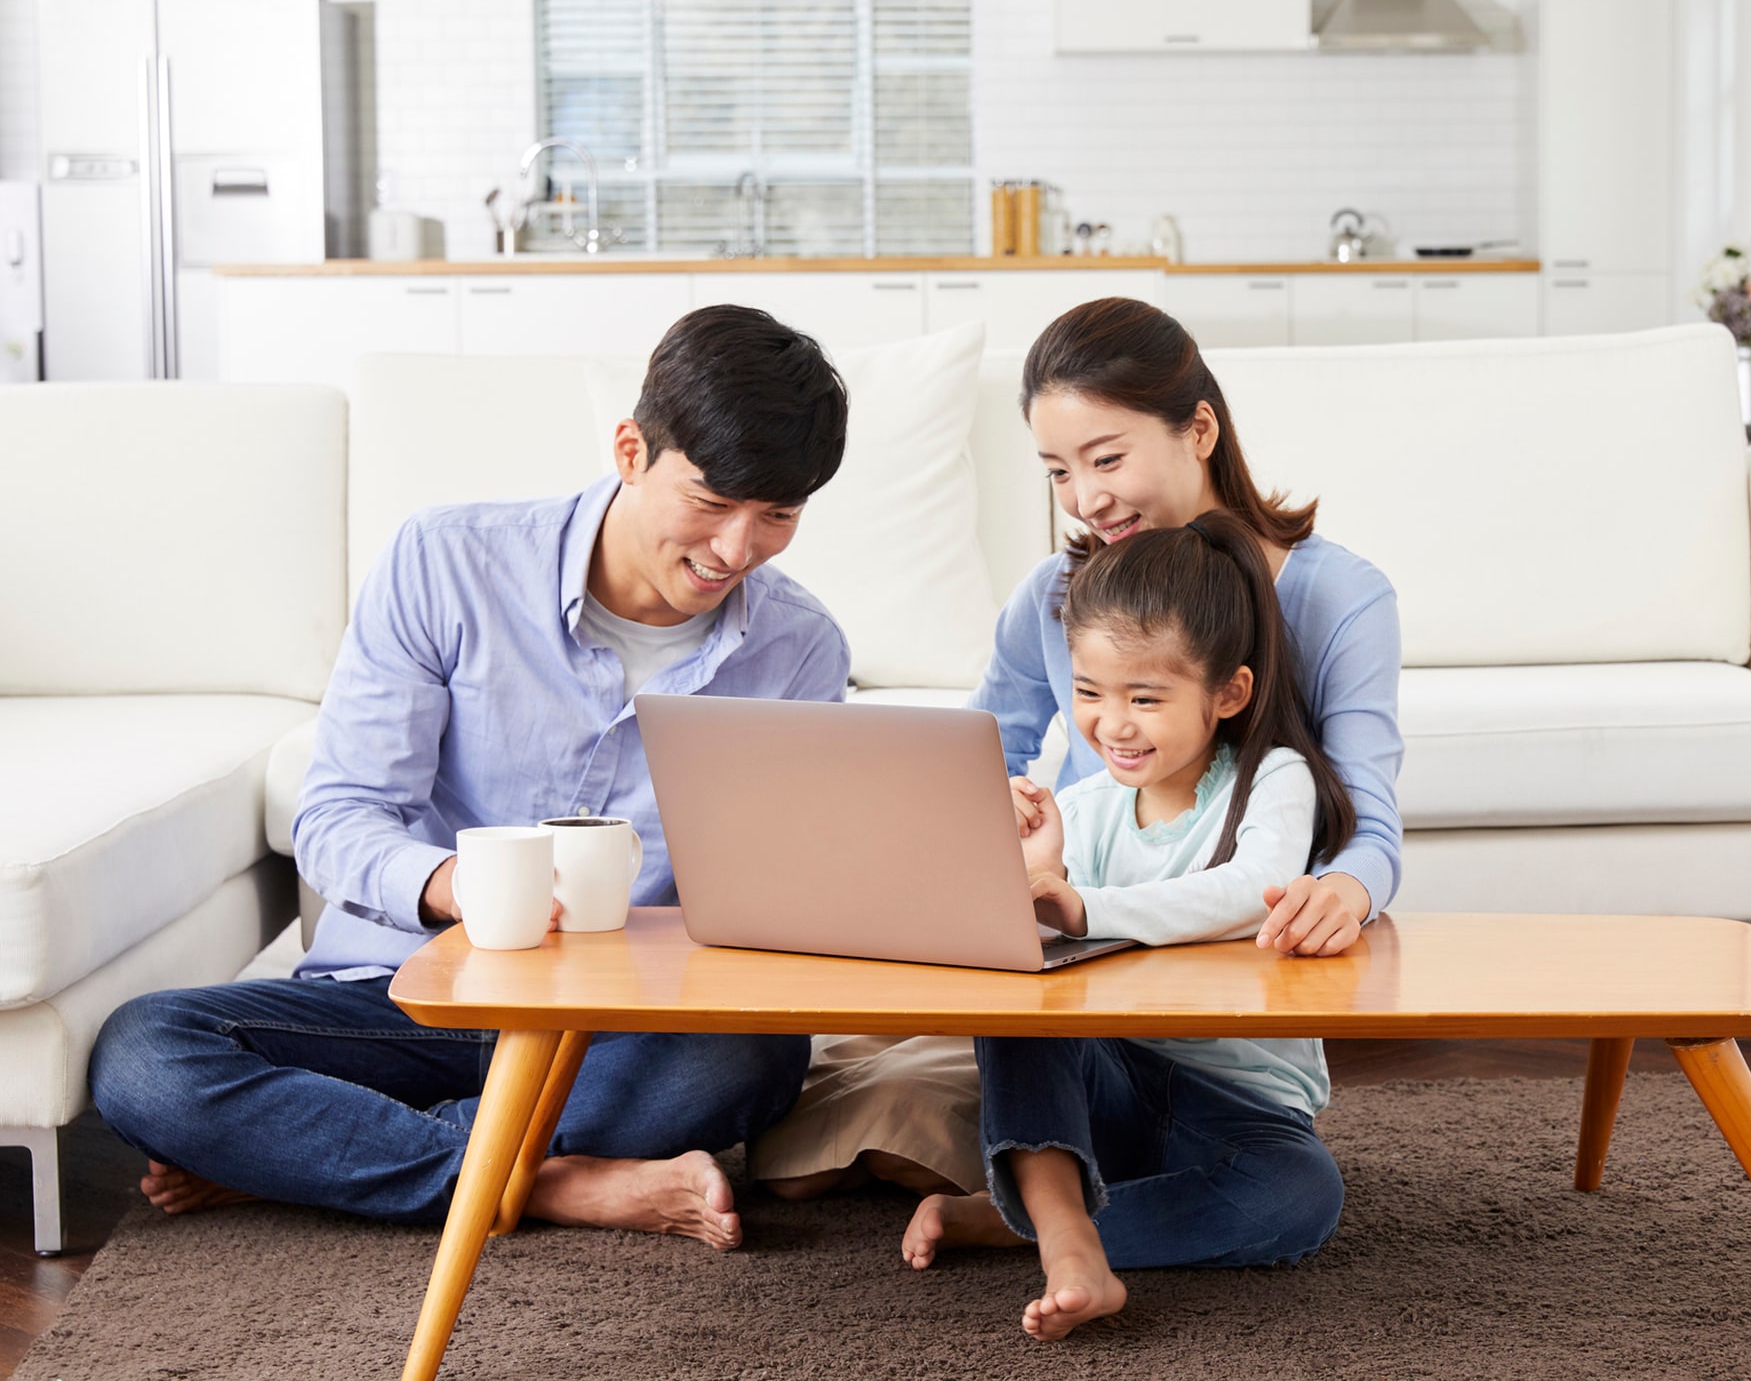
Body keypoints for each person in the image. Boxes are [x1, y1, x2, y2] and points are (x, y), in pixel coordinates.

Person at [88, 305, 852, 1251]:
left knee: (749, 1054)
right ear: (629, 449)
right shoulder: (447, 563)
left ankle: (325, 1156)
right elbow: (338, 814)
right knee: (146, 1057)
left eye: (778, 515)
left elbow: (770, 893)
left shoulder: (800, 648)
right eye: (711, 501)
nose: (736, 551)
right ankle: (565, 1185)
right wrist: (456, 887)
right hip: (409, 996)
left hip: (625, 1026)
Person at [750, 296, 1402, 1202]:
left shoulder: (1341, 599)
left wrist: (1347, 887)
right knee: (865, 1093)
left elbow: (1368, 822)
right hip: (1085, 982)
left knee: (893, 1114)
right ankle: (1041, 1175)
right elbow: (973, 775)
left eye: (1108, 458)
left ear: (1199, 428)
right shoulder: (1050, 598)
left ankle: (1029, 1185)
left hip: (1214, 991)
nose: (1087, 498)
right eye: (1058, 472)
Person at [906, 509, 1358, 1338]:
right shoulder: (1082, 807)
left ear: (1228, 693)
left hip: (1239, 1108)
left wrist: (1086, 903)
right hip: (1108, 1091)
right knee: (1019, 991)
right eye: (1089, 693)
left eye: (1145, 698)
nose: (1112, 724)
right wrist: (1037, 867)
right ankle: (1068, 1235)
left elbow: (1252, 887)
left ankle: (1029, 1225)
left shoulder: (1273, 781)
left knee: (1303, 1196)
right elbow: (1004, 923)